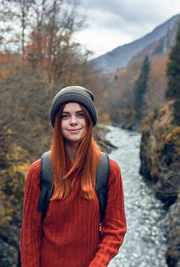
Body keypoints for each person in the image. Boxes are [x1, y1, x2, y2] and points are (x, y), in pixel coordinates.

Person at [20, 85, 126, 267]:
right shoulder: (39, 172)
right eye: (65, 116)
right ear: (57, 123)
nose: (73, 121)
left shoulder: (108, 170)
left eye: (80, 114)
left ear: (89, 120)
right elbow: (30, 235)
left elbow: (115, 229)